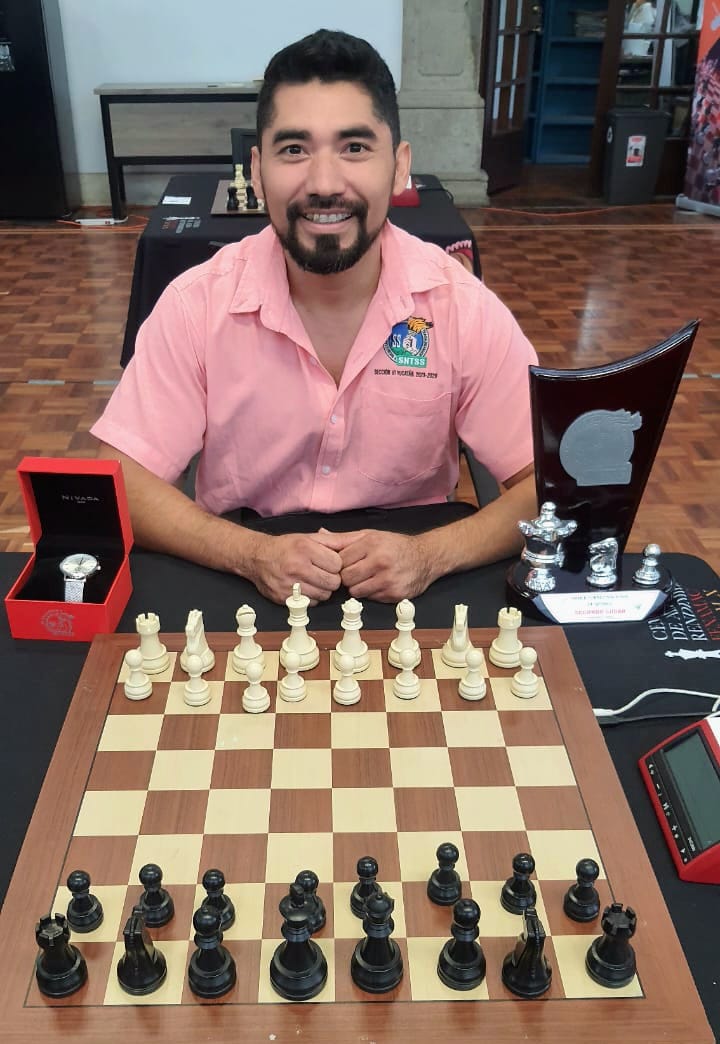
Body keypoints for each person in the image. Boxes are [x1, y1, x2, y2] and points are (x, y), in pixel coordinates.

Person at [92, 29, 538, 605]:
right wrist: (249, 554)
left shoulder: (462, 308)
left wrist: (432, 554)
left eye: (354, 148)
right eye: (294, 150)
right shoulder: (196, 304)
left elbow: (547, 487)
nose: (325, 184)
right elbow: (121, 482)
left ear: (399, 167)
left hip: (412, 587)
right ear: (257, 171)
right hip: (239, 576)